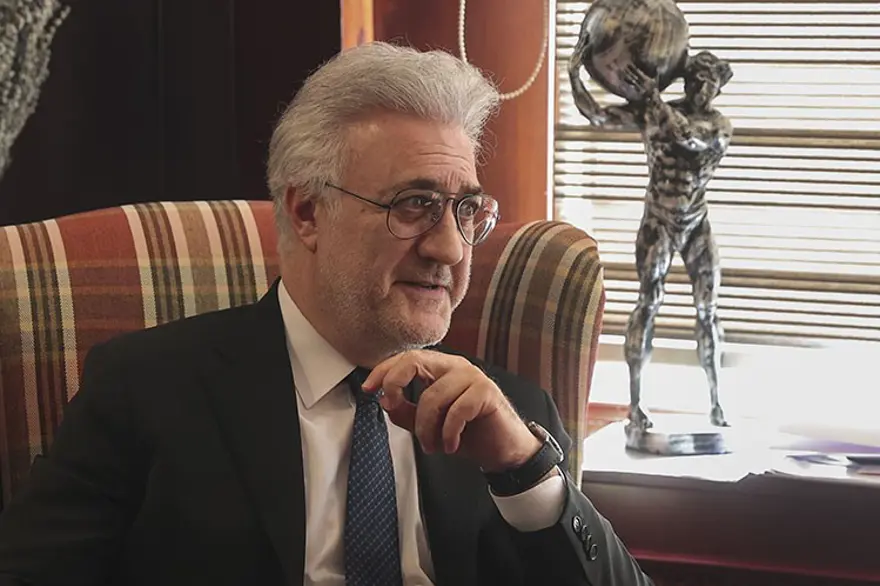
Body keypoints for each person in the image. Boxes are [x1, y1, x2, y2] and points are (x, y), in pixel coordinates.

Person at [0, 42, 652, 586]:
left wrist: (522, 468)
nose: (451, 249)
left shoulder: (507, 417)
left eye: (465, 211)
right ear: (309, 212)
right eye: (414, 204)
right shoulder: (146, 389)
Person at [569, 51, 734, 431]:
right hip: (658, 219)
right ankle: (636, 403)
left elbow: (687, 137)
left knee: (707, 309)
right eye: (695, 80)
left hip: (696, 221)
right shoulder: (654, 110)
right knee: (648, 302)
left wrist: (652, 97)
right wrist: (575, 73)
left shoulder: (719, 125)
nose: (701, 89)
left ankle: (716, 402)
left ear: (718, 88)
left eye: (709, 83)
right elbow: (597, 115)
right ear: (686, 81)